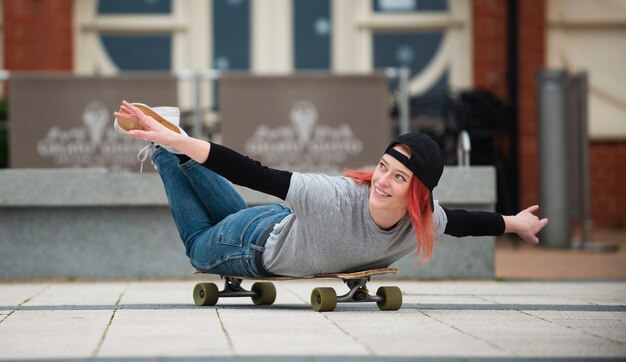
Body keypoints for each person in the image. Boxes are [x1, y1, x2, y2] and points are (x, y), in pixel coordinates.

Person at [114, 100, 548, 278]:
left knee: (228, 216)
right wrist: (181, 140)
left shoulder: (426, 219)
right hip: (251, 247)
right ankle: (166, 149)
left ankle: (173, 144)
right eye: (383, 167)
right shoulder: (334, 196)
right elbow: (255, 173)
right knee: (197, 249)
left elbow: (467, 223)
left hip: (281, 228)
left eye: (399, 177)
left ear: (419, 194)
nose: (381, 181)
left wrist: (517, 223)